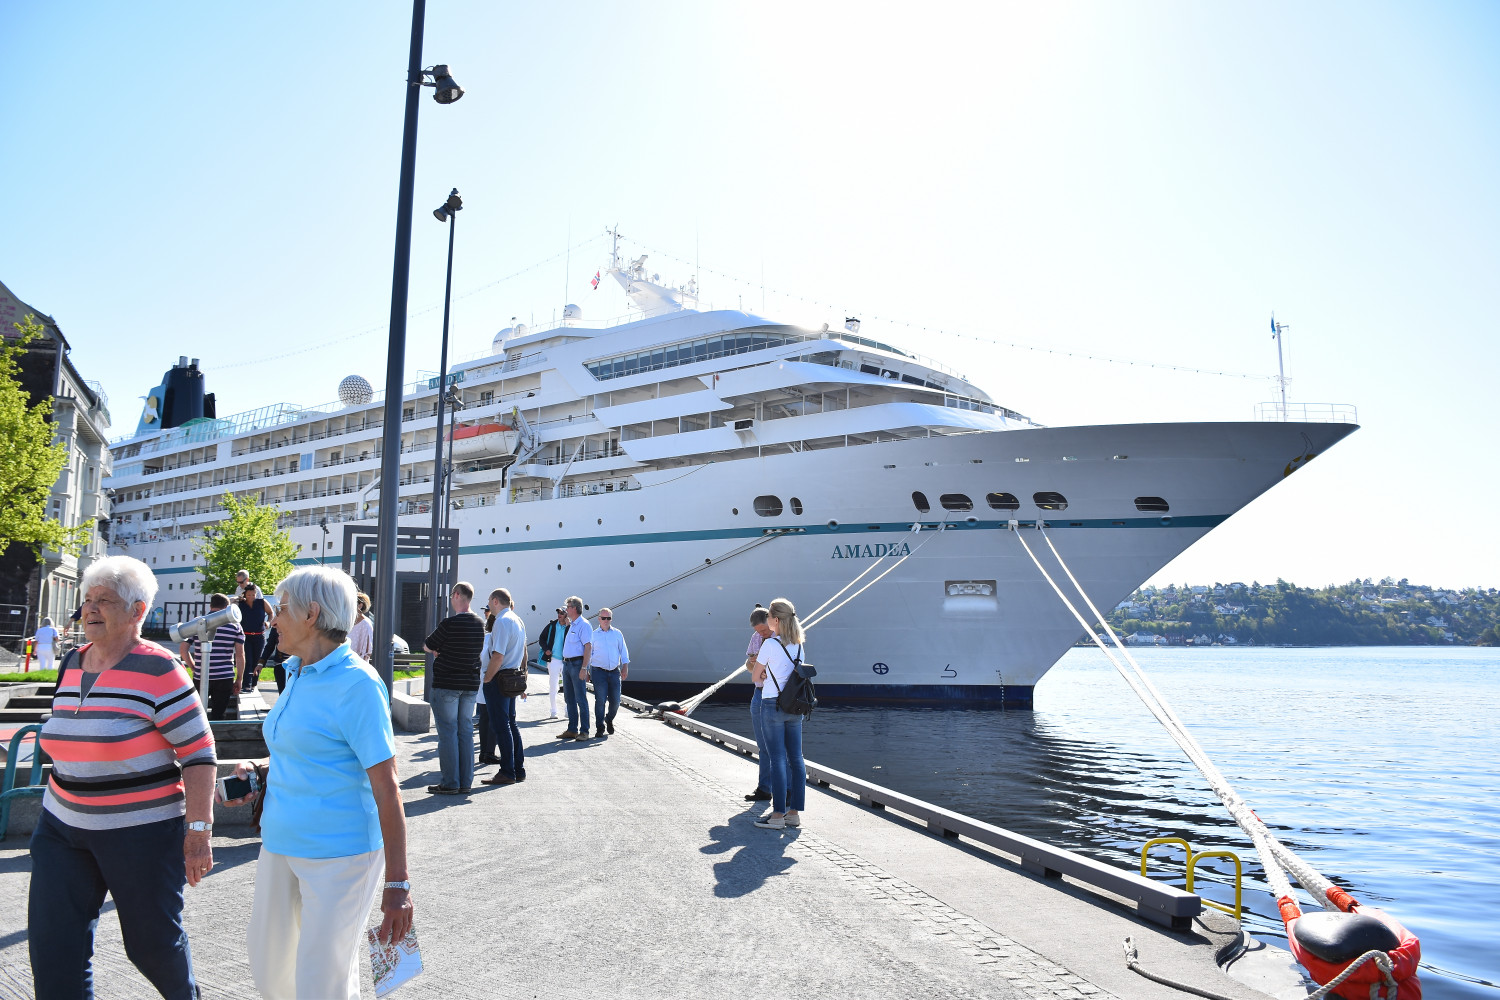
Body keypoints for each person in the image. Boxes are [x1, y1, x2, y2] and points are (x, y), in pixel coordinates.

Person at [28, 555, 217, 1000]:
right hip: (61, 827)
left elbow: (200, 754)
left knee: (152, 948)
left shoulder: (160, 669)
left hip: (140, 834)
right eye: (88, 600)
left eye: (105, 601)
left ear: (138, 612)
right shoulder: (72, 661)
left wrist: (198, 832)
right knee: (55, 952)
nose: (91, 609)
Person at [227, 565, 413, 1000]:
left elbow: (388, 787)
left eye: (282, 608)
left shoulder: (358, 684)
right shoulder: (295, 671)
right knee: (269, 963)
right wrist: (259, 772)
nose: (272, 617)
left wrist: (398, 884)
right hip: (280, 842)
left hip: (339, 854)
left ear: (311, 614)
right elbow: (304, 748)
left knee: (321, 979)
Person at [423, 582, 486, 794]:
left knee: (448, 733)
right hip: (469, 684)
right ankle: (466, 782)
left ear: (457, 595)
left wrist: (439, 650)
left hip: (447, 684)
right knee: (466, 731)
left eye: (452, 595)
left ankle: (450, 782)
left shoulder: (448, 624)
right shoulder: (480, 623)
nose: (451, 598)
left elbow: (427, 645)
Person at [751, 597, 808, 830]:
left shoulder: (770, 645)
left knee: (777, 759)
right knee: (796, 758)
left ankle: (777, 816)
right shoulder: (799, 645)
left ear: (775, 620)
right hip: (794, 707)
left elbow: (756, 678)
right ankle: (794, 814)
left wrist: (763, 675)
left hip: (772, 706)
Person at [480, 588, 528, 785]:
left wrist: (487, 679)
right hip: (512, 677)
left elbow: (498, 656)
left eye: (489, 601)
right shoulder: (517, 620)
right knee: (511, 724)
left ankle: (507, 771)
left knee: (501, 726)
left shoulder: (501, 621)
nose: (489, 605)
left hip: (499, 679)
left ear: (495, 600)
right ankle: (518, 768)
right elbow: (523, 651)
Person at [178, 593, 245, 721]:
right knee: (219, 715)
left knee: (197, 716)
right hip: (224, 677)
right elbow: (240, 655)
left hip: (201, 675)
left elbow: (183, 650)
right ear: (227, 607)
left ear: (210, 606)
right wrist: (239, 679)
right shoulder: (235, 625)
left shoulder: (197, 623)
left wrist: (193, 667)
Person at [743, 607, 775, 802]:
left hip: (774, 694)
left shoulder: (780, 637)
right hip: (759, 692)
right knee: (762, 745)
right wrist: (753, 662)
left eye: (764, 630)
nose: (762, 634)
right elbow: (748, 666)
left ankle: (786, 790)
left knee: (779, 747)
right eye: (759, 631)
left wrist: (762, 669)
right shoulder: (756, 638)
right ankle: (764, 788)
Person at [585, 607, 628, 738]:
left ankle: (609, 719)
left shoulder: (617, 633)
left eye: (608, 618)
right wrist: (586, 670)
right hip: (598, 671)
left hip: (614, 671)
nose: (606, 620)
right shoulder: (593, 635)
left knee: (616, 701)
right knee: (600, 700)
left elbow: (623, 651)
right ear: (599, 619)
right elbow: (588, 654)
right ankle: (600, 727)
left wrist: (625, 666)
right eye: (603, 618)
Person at [556, 596, 593, 742]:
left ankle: (584, 731)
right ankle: (572, 729)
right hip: (567, 665)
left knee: (580, 698)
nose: (566, 609)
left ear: (575, 608)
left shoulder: (584, 625)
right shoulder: (572, 624)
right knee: (569, 698)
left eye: (568, 606)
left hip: (577, 665)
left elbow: (588, 647)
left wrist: (584, 667)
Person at [236, 582, 275, 692]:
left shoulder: (261, 602)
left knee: (257, 661)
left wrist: (268, 622)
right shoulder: (240, 604)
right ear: (245, 594)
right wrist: (237, 599)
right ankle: (246, 685)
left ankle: (253, 684)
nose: (251, 597)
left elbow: (271, 613)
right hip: (245, 636)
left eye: (253, 594)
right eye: (249, 595)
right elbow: (231, 608)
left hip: (259, 636)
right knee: (248, 660)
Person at [537, 606, 568, 719]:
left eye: (562, 612)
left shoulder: (570, 626)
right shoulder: (551, 625)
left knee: (567, 687)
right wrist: (546, 649)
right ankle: (554, 711)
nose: (559, 614)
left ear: (567, 614)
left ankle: (567, 710)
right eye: (558, 612)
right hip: (553, 659)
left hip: (566, 660)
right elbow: (541, 638)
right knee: (553, 686)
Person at [348, 592, 374, 662]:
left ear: (360, 605)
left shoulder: (366, 624)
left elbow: (368, 650)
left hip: (357, 664)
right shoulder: (346, 621)